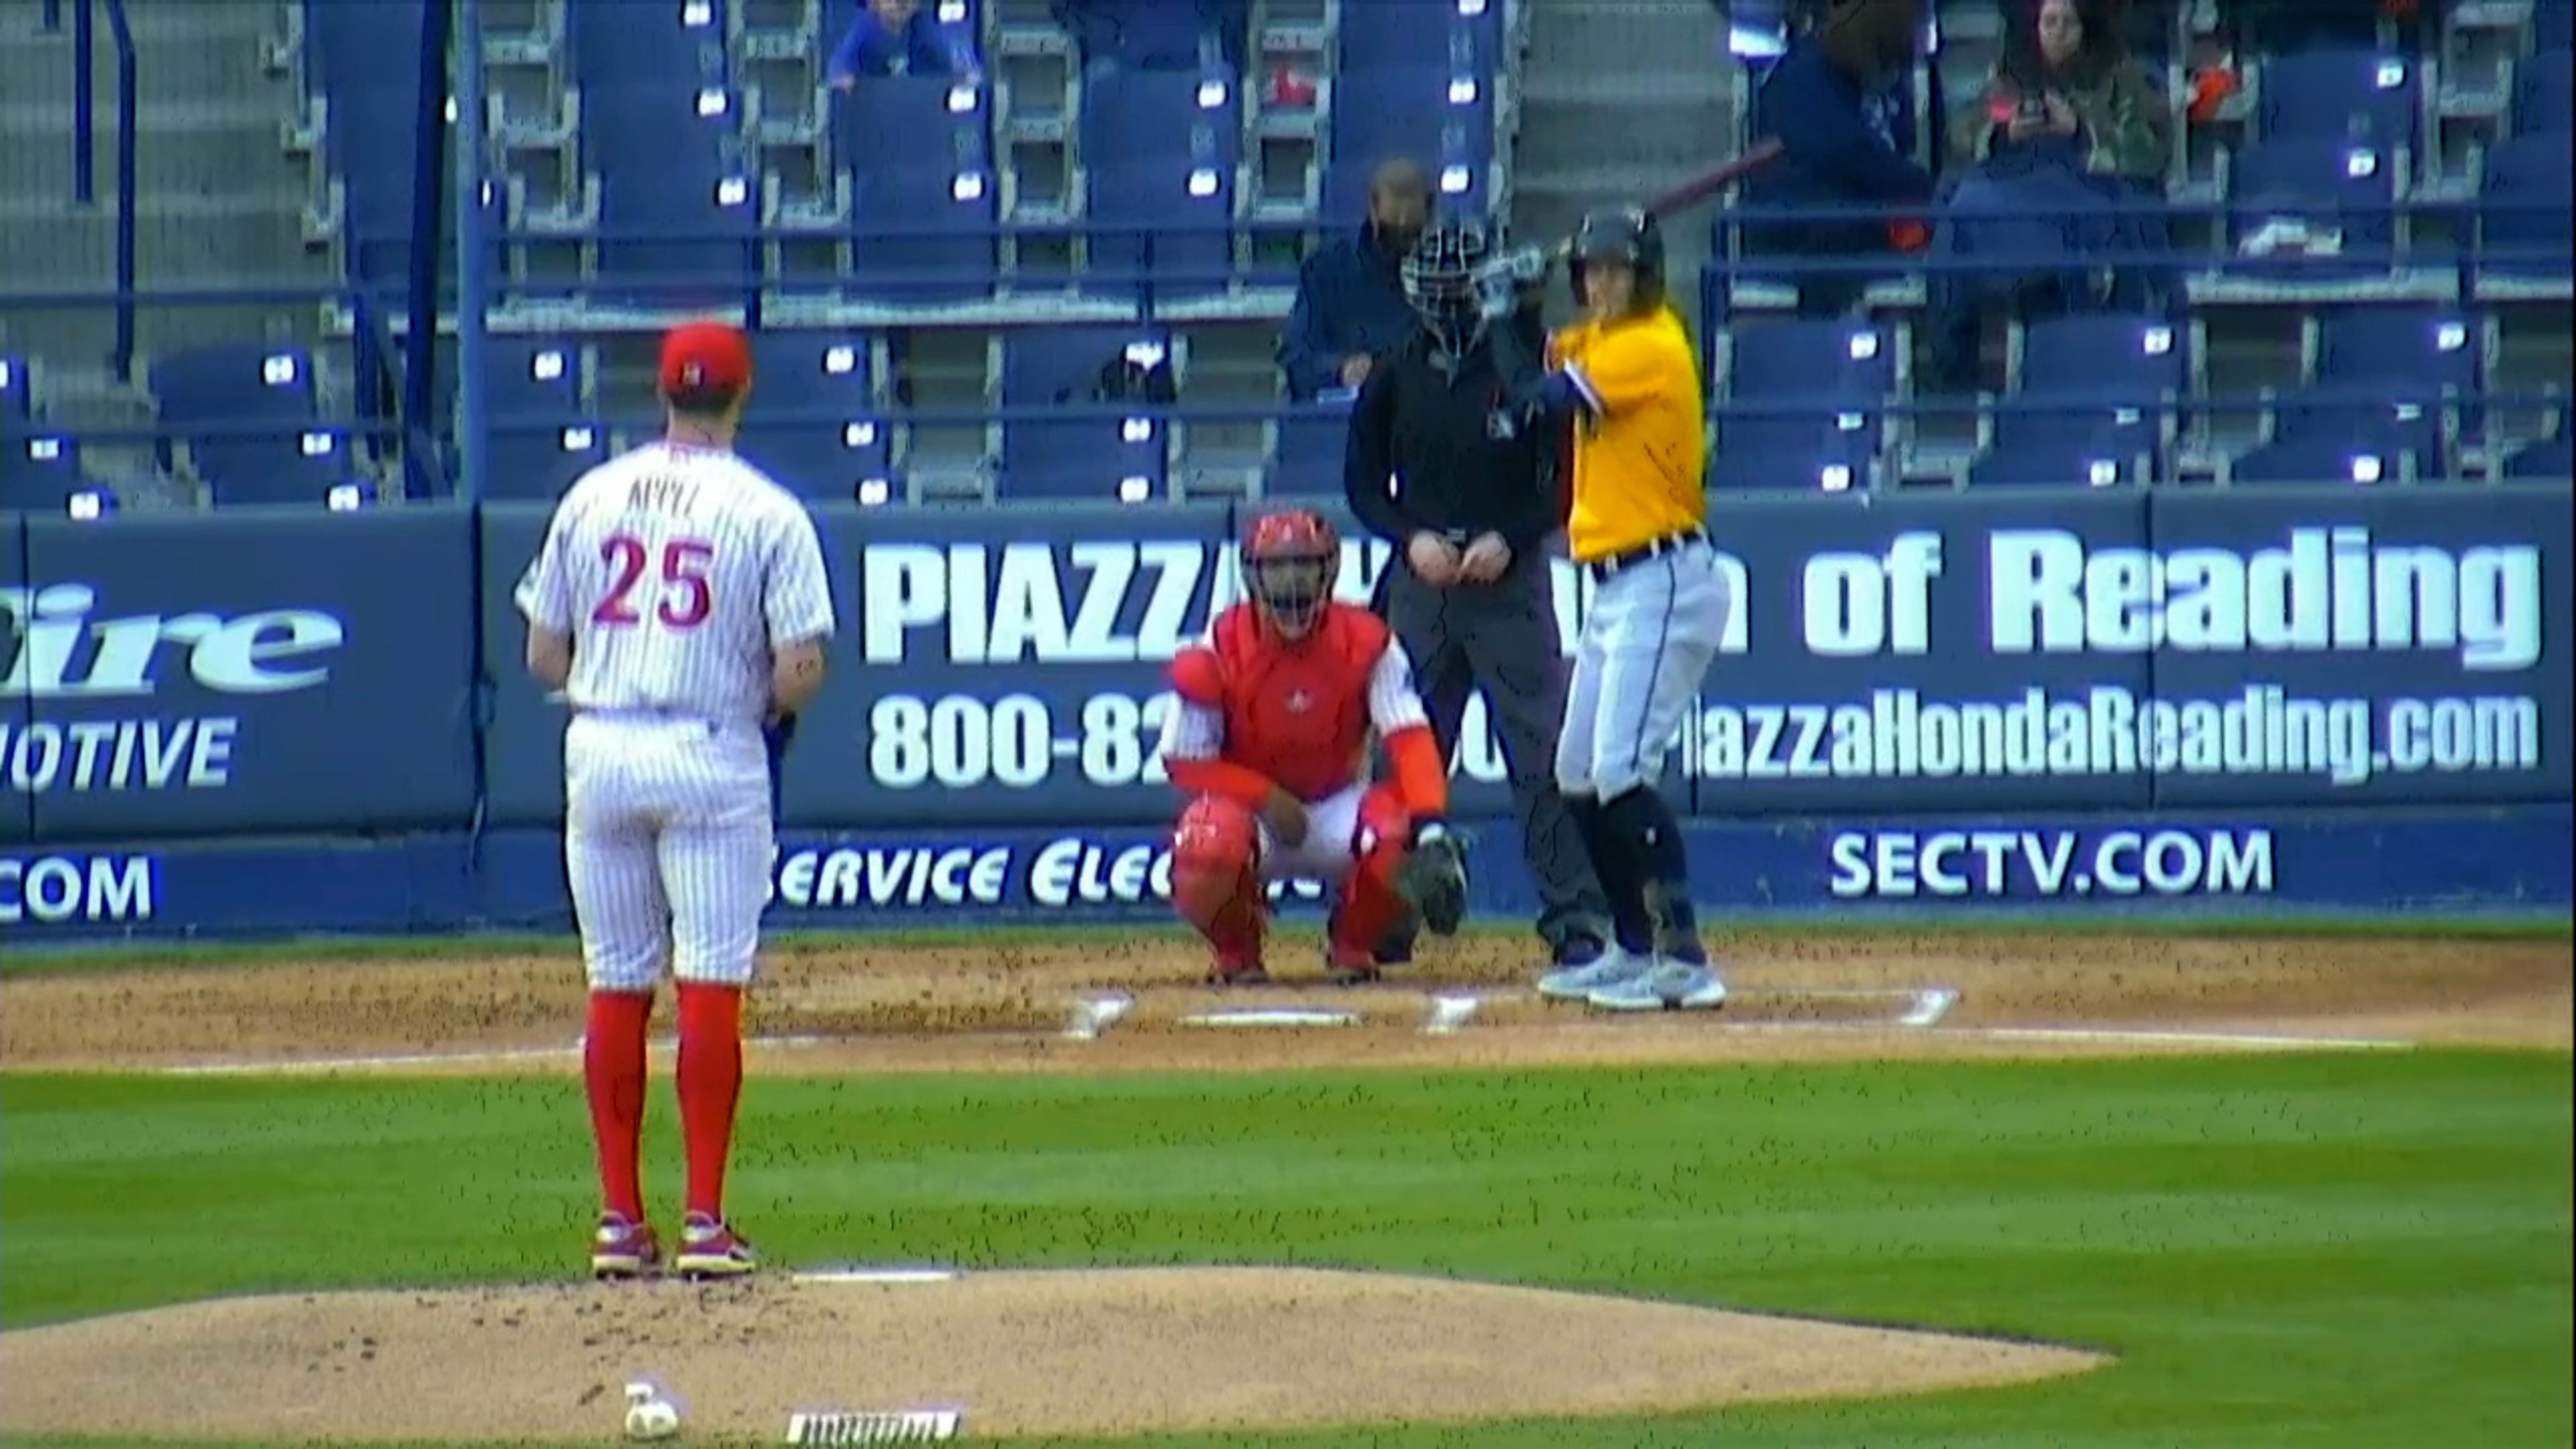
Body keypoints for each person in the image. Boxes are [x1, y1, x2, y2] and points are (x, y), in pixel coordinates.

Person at [513, 322, 838, 1280]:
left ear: (662, 392)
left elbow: (543, 654)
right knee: (709, 979)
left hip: (603, 746)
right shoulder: (766, 508)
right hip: (710, 749)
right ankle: (703, 1220)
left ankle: (619, 1220)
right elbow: (800, 665)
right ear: (741, 396)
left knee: (616, 981)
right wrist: (770, 709)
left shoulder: (591, 494)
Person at [1343, 218, 1613, 974]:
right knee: (1409, 753)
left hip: (1508, 581)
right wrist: (1410, 537)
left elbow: (1563, 479)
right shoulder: (1396, 373)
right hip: (1422, 584)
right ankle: (1384, 915)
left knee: (1543, 755)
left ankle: (1575, 918)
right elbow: (1364, 485)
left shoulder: (1526, 364)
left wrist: (1513, 538)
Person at [1501, 209, 1729, 1012]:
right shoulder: (1603, 339)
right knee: (1575, 776)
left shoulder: (1651, 345)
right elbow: (1541, 355)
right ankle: (1635, 949)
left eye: (1616, 271)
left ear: (1645, 276)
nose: (1601, 284)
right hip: (1614, 585)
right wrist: (1521, 303)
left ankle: (1685, 957)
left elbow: (1541, 397)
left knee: (1621, 772)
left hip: (1665, 575)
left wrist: (1517, 313)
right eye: (1591, 272)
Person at [1154, 508, 1470, 986]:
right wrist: (1265, 797)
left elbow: (1412, 739)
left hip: (1338, 803)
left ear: (1329, 570)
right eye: (1278, 568)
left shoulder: (1367, 642)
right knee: (1206, 845)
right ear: (1253, 574)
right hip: (1251, 815)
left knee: (1399, 833)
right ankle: (1238, 951)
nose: (1291, 583)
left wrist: (1429, 823)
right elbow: (1185, 763)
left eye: (1303, 565)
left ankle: (1353, 944)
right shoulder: (1220, 644)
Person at [1931, 0, 2174, 386]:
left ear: (2086, 28)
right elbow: (1964, 132)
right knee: (1962, 206)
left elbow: (2149, 151)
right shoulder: (2010, 80)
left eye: (2068, 24)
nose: (2058, 34)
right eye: (2050, 23)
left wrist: (2081, 128)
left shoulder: (2122, 76)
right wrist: (2004, 133)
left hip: (2087, 191)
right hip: (2017, 188)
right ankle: (1954, 365)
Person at [1738, 0, 1937, 317]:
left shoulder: (1879, 81)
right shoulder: (1802, 78)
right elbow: (1853, 155)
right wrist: (1927, 189)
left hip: (1853, 218)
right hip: (1802, 226)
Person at [1277, 159, 1432, 403]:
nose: (1401, 238)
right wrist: (1340, 369)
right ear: (1373, 209)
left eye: (1410, 231)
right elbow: (1297, 357)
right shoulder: (1326, 272)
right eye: (1392, 227)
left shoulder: (1452, 278)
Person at [826, 0, 979, 87]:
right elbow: (840, 68)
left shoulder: (926, 28)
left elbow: (964, 63)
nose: (899, 3)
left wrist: (965, 75)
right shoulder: (864, 29)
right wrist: (843, 80)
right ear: (873, 4)